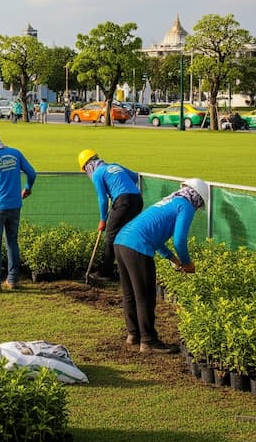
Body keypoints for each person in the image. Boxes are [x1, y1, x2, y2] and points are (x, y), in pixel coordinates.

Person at [113, 178, 206, 353]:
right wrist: (188, 263)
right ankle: (148, 341)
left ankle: (133, 335)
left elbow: (156, 236)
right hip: (137, 246)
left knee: (130, 294)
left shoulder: (169, 201)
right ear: (198, 198)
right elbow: (179, 240)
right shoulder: (185, 206)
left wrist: (172, 259)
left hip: (121, 242)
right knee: (145, 296)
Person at [0, 125, 37, 293]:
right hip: (15, 204)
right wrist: (27, 188)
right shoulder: (15, 153)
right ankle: (13, 280)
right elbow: (32, 173)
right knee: (12, 241)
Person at [78, 149, 143, 282]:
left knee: (110, 237)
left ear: (87, 166)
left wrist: (103, 220)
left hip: (123, 202)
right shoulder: (114, 165)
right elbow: (135, 177)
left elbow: (102, 199)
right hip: (137, 200)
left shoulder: (97, 174)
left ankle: (105, 272)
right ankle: (126, 269)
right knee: (125, 234)